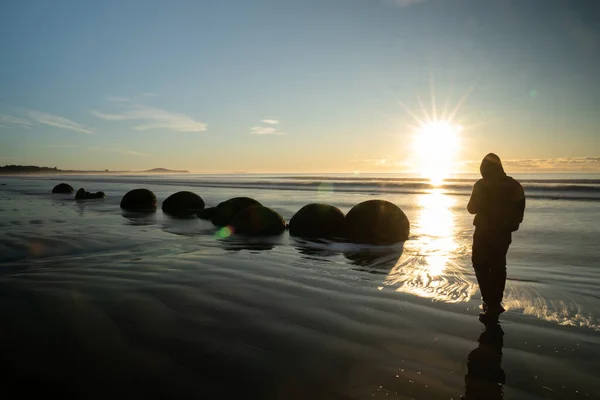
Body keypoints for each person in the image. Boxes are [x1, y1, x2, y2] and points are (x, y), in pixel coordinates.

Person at [467, 153, 525, 324]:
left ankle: (491, 302)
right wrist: (512, 224)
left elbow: (471, 208)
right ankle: (493, 302)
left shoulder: (481, 184)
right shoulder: (514, 185)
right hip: (501, 233)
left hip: (487, 231)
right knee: (497, 265)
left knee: (481, 264)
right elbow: (519, 211)